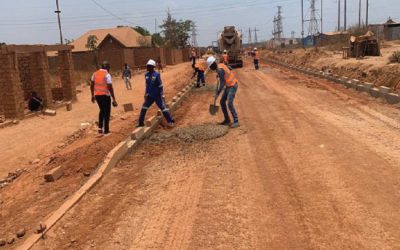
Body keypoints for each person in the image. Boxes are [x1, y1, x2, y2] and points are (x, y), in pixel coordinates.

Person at [138, 59, 175, 128]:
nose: (148, 67)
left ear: (153, 67)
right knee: (144, 108)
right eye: (147, 66)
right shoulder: (146, 75)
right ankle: (140, 122)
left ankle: (171, 121)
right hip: (149, 96)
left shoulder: (157, 75)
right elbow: (147, 85)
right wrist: (146, 93)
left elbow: (160, 86)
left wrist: (161, 94)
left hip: (157, 96)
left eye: (149, 66)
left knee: (163, 108)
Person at [207, 56, 239, 128]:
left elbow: (221, 84)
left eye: (210, 67)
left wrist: (217, 94)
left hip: (232, 85)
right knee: (222, 102)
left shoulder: (220, 69)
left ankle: (236, 121)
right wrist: (220, 75)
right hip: (229, 86)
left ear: (213, 65)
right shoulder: (220, 65)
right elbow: (230, 68)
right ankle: (227, 120)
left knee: (229, 103)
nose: (211, 69)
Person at [91, 61, 118, 136]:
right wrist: (114, 99)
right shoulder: (107, 74)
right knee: (107, 113)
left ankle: (100, 128)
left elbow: (92, 85)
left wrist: (92, 95)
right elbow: (110, 87)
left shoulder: (95, 73)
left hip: (97, 96)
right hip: (105, 96)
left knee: (102, 111)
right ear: (107, 68)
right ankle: (106, 131)